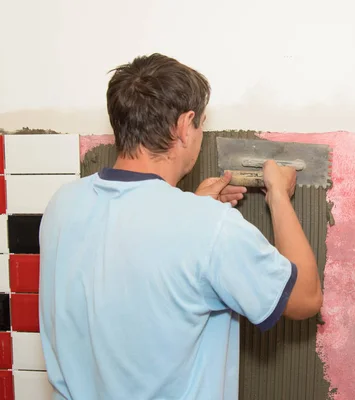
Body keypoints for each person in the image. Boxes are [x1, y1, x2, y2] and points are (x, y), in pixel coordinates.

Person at [38, 53, 323, 400]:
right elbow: (305, 298)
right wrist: (279, 195)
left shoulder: (62, 205)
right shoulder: (208, 228)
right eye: (201, 123)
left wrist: (193, 209)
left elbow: (131, 260)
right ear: (184, 126)